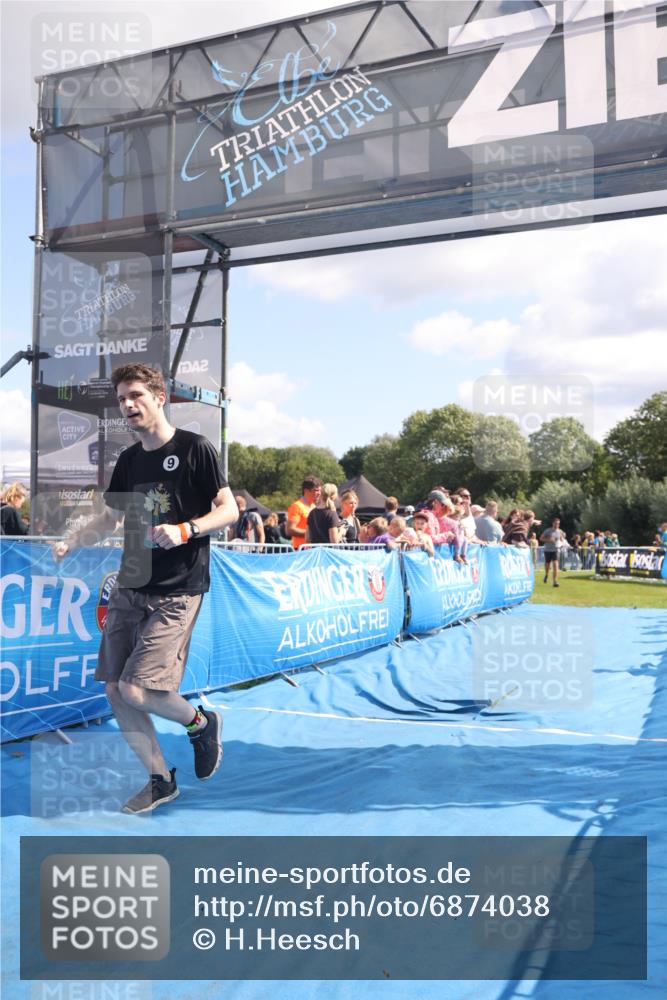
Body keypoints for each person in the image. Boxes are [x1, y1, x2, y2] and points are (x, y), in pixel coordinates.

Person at [52, 363, 239, 814]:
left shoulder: (195, 449)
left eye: (135, 395)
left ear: (159, 397)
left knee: (138, 689)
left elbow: (229, 509)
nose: (128, 405)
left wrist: (187, 529)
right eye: (121, 399)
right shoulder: (130, 460)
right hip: (131, 584)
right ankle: (159, 779)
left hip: (178, 588)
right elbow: (111, 518)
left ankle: (199, 722)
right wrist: (74, 539)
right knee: (116, 690)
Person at [286, 475, 321, 549]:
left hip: (313, 549)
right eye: (316, 490)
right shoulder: (296, 506)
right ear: (306, 491)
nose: (319, 493)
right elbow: (289, 530)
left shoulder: (314, 506)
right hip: (300, 550)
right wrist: (311, 533)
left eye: (320, 490)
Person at [540, 517, 566, 587]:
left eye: (558, 524)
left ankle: (555, 581)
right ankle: (546, 574)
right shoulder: (548, 531)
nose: (557, 525)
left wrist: (562, 542)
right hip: (547, 550)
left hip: (556, 550)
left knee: (555, 565)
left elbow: (562, 539)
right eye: (556, 523)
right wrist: (549, 540)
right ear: (553, 523)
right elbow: (541, 538)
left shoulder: (560, 531)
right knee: (547, 565)